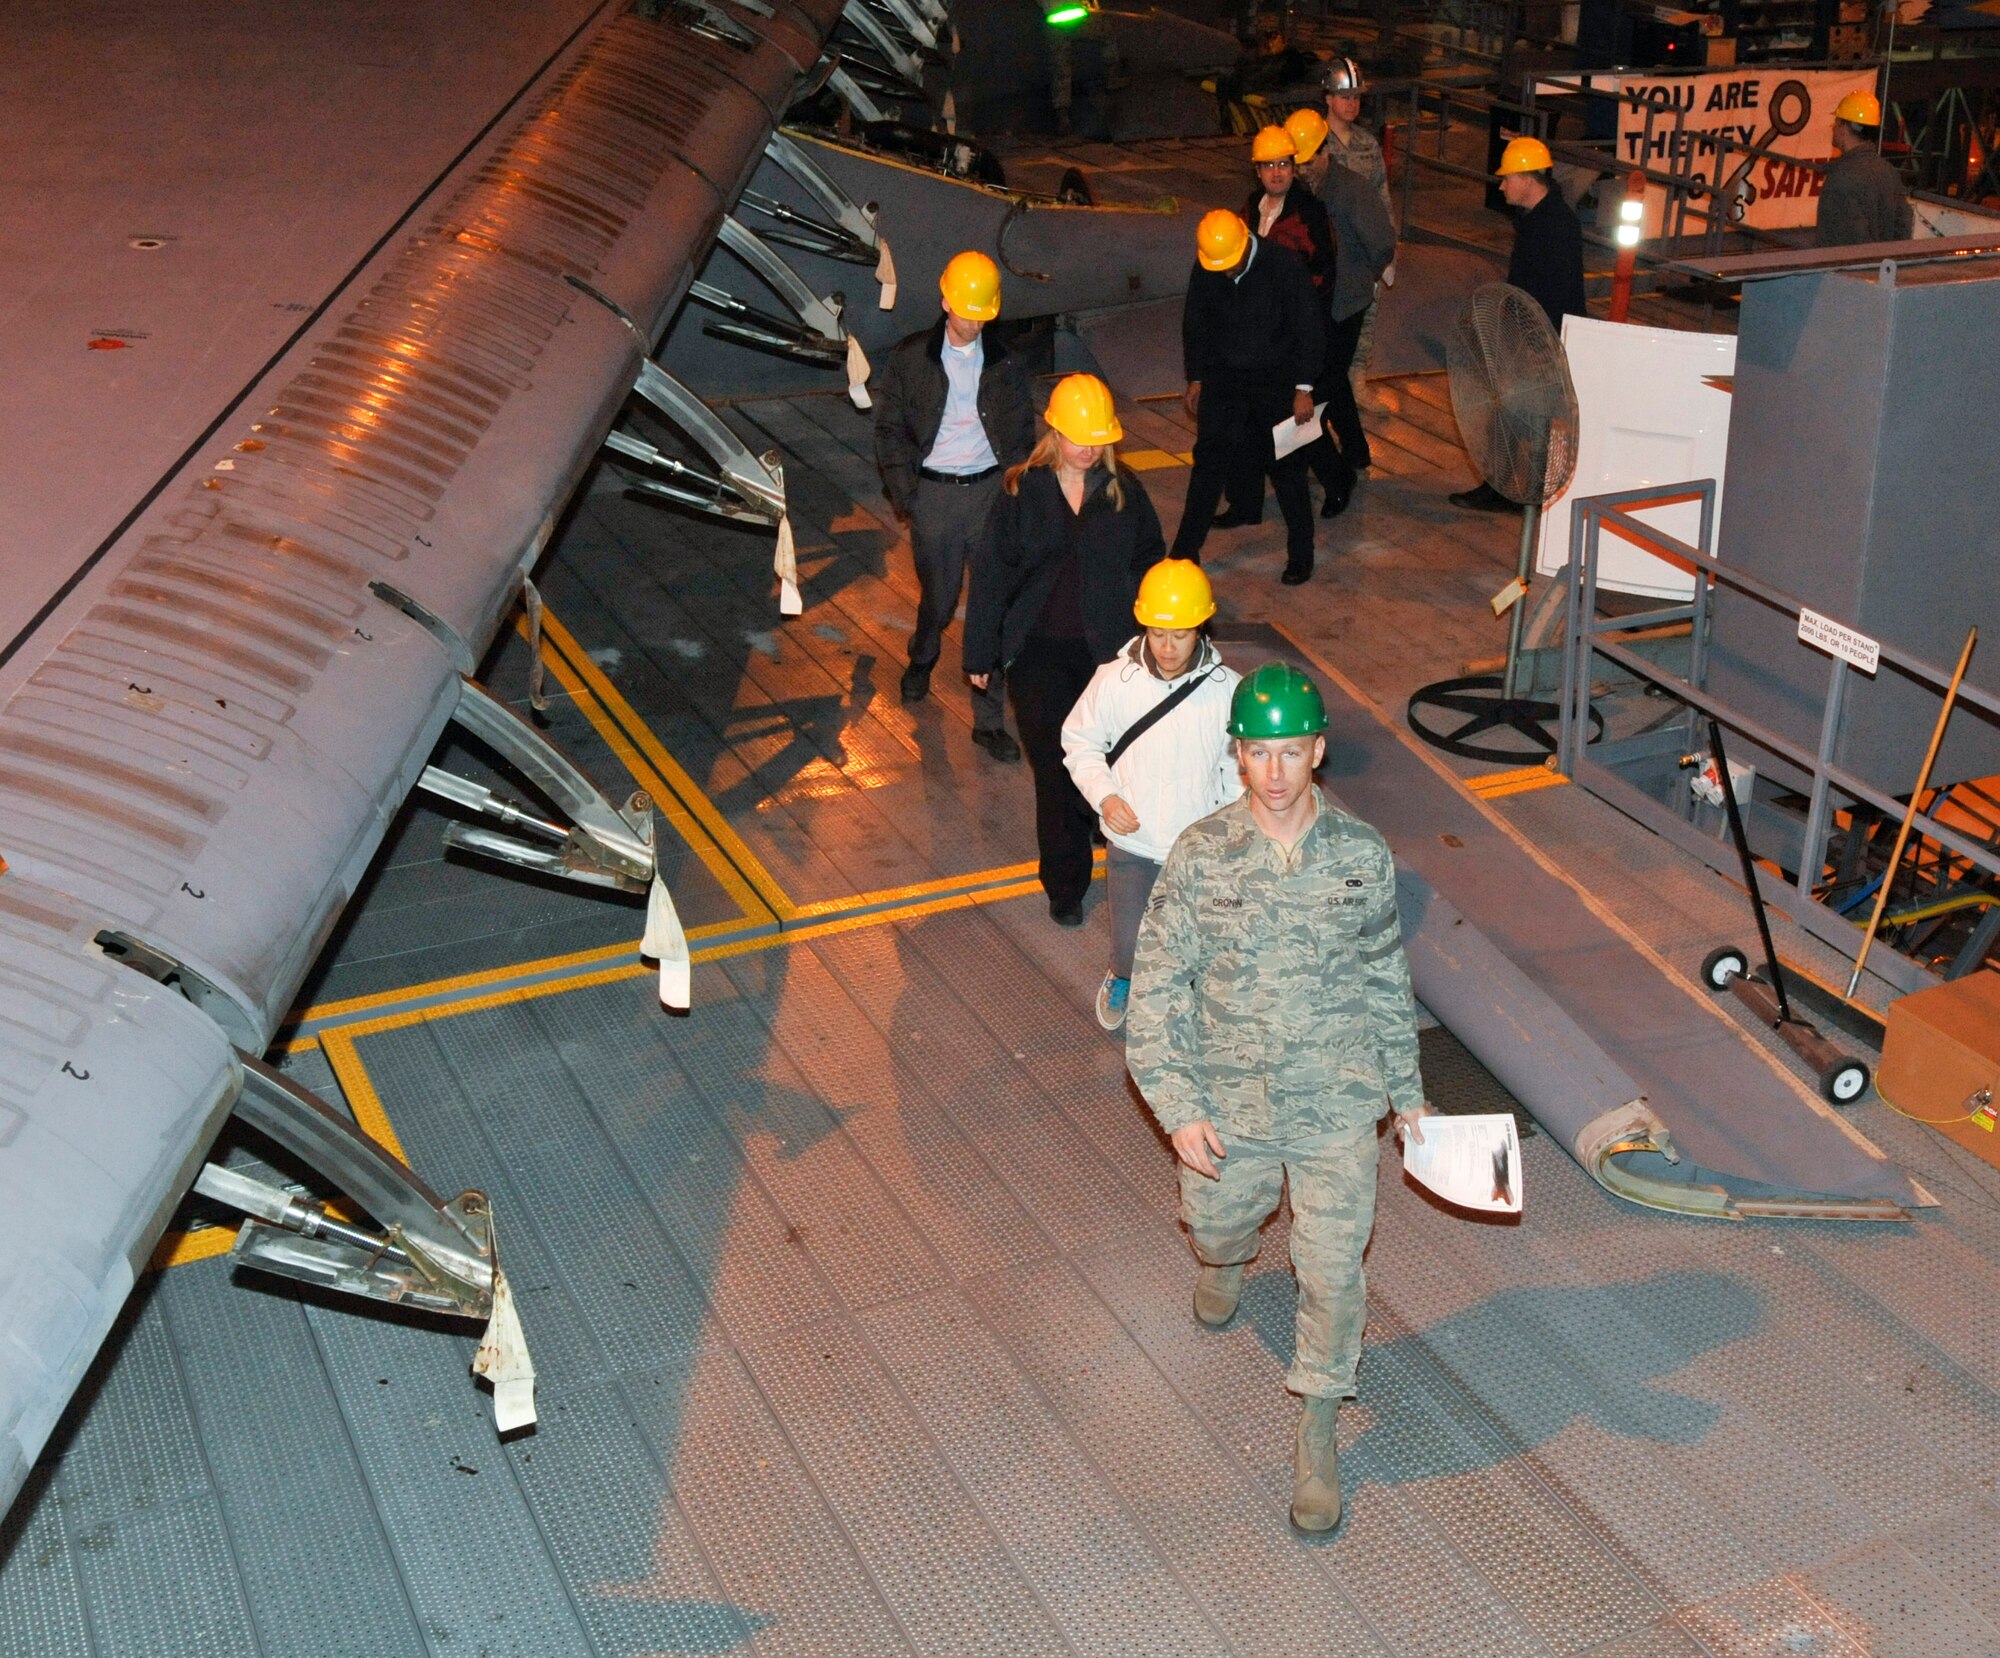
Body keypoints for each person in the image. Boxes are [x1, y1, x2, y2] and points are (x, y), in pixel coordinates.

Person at [1126, 661, 1432, 1535]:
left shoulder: (1361, 855)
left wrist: (1408, 1095)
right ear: (1236, 754)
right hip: (1231, 1105)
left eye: (1290, 752)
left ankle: (1319, 1423)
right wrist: (1178, 1107)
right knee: (1217, 1221)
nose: (1273, 772)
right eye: (1258, 753)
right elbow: (1157, 989)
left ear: (1318, 752)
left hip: (1338, 1102)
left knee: (1333, 1271)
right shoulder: (1200, 856)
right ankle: (1223, 1256)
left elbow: (1385, 975)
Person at [965, 375, 1165, 927]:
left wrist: (1159, 640)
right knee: (1055, 770)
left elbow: (1151, 562)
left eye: (1099, 439)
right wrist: (980, 652)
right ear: (1054, 431)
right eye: (1080, 438)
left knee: (1110, 764)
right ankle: (1065, 883)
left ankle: (1104, 827)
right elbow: (991, 574)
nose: (1089, 449)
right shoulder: (1020, 491)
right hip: (1038, 654)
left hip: (1110, 656)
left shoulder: (1124, 491)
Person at [1060, 559, 1242, 1031]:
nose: (1167, 646)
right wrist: (1105, 797)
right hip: (1134, 846)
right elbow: (1079, 743)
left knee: (1195, 945)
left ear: (1201, 627)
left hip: (1196, 850)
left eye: (1180, 634)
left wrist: (1228, 833)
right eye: (1158, 633)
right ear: (1143, 623)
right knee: (1129, 946)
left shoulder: (1227, 691)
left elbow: (1237, 770)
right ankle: (1122, 974)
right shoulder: (1113, 681)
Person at [873, 249, 1037, 758]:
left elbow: (1022, 433)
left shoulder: (1006, 362)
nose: (976, 323)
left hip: (990, 494)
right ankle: (923, 656)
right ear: (945, 303)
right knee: (940, 599)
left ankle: (988, 722)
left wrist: (1018, 490)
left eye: (984, 314)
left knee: (993, 604)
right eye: (968, 313)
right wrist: (909, 496)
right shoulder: (910, 359)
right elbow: (889, 430)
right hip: (935, 498)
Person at [1172, 210, 1326, 585]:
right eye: (1218, 267)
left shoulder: (1284, 266)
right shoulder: (1209, 262)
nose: (1225, 273)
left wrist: (1304, 388)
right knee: (1208, 464)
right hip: (1224, 380)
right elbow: (1196, 320)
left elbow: (1309, 328)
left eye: (1231, 265)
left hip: (1277, 382)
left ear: (1245, 243)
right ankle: (1184, 553)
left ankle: (1301, 554)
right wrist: (1196, 376)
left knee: (1287, 470)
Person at [1222, 124, 1355, 523]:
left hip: (1293, 337)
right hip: (1258, 338)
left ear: (1294, 168)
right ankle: (1245, 504)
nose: (1277, 172)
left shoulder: (1309, 213)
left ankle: (1337, 478)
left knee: (1294, 422)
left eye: (1283, 164)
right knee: (1250, 422)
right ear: (1257, 171)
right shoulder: (1251, 209)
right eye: (1268, 166)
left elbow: (1321, 277)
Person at [1450, 136, 1587, 513]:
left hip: (1541, 339)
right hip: (1532, 335)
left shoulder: (1554, 225)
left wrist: (1530, 340)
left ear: (1528, 179)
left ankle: (1519, 492)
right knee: (1516, 412)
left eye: (1507, 177)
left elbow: (1553, 292)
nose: (1501, 185)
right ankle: (1512, 489)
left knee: (1526, 414)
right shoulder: (1540, 218)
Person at [1291, 105, 1394, 477]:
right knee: (1333, 381)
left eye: (1308, 162)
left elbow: (1382, 243)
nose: (1302, 170)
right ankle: (1356, 452)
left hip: (1345, 303)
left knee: (1324, 381)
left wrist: (1360, 277)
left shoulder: (1351, 191)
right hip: (1320, 301)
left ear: (1325, 152)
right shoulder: (1306, 190)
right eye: (1296, 164)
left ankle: (1317, 460)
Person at [1321, 57, 1396, 408]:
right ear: (1328, 98)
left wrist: (1389, 248)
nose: (1352, 103)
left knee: (1366, 315)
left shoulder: (1368, 145)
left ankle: (1357, 381)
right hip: (1328, 249)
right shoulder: (1316, 145)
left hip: (1362, 251)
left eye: (1356, 97)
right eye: (1344, 96)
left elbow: (1382, 197)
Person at [1816, 90, 1912, 248]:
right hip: (1884, 261)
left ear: (1844, 128)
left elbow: (1839, 241)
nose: (1833, 128)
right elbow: (1904, 223)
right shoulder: (1888, 171)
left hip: (1853, 263)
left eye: (1836, 122)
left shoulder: (1841, 179)